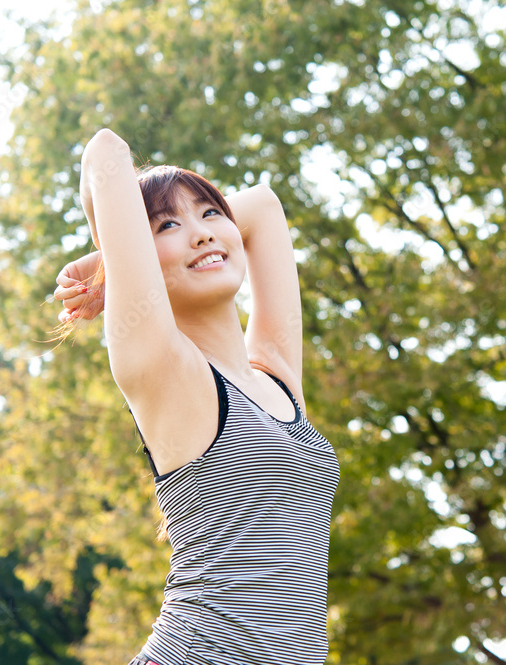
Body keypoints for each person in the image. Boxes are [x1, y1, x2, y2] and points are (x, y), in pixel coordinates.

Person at [52, 128, 340, 665]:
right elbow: (105, 151)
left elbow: (263, 206)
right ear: (141, 250)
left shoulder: (274, 376)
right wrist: (114, 258)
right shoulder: (161, 363)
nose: (203, 234)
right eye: (167, 225)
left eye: (210, 214)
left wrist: (112, 265)